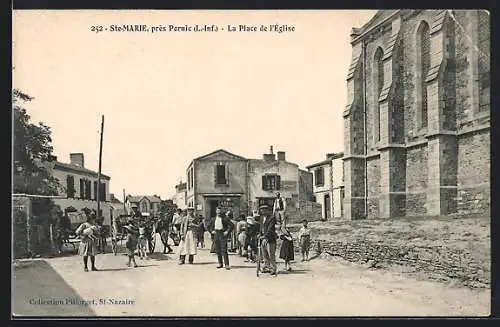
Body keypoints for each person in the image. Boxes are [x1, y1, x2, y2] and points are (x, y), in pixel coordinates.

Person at [259, 205, 278, 276]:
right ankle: (266, 267)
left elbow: (270, 229)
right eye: (261, 210)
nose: (262, 211)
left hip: (270, 239)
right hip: (263, 238)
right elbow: (261, 228)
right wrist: (260, 234)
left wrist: (265, 236)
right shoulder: (261, 218)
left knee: (271, 255)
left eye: (263, 210)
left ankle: (273, 269)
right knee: (264, 254)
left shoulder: (272, 218)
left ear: (267, 210)